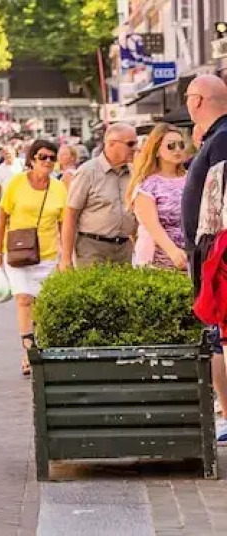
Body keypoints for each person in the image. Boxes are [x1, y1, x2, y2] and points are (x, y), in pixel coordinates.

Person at [0, 138, 68, 376]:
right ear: (32, 159)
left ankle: (40, 346)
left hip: (47, 255)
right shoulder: (16, 183)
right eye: (42, 156)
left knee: (42, 305)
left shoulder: (59, 188)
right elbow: (2, 217)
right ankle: (28, 351)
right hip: (18, 253)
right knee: (24, 299)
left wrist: (66, 255)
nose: (47, 161)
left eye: (52, 158)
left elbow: (64, 223)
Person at [180, 76, 227, 441]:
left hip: (219, 258)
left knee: (222, 339)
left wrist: (209, 256)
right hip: (212, 256)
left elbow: (218, 207)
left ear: (196, 101)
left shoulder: (222, 139)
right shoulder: (216, 139)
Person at [60, 123, 138, 268]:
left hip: (124, 248)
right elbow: (70, 216)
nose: (135, 148)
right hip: (92, 248)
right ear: (111, 144)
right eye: (130, 144)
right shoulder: (88, 172)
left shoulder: (134, 173)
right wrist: (66, 258)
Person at [128, 123, 190, 270]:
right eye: (171, 146)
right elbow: (152, 225)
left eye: (181, 145)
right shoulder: (147, 185)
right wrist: (173, 251)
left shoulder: (191, 178)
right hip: (157, 263)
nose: (177, 150)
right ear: (156, 150)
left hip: (192, 259)